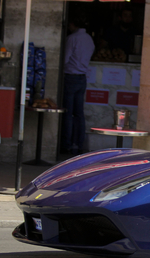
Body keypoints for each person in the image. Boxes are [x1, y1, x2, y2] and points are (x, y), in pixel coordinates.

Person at [61, 14, 95, 155]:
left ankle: (67, 145)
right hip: (82, 78)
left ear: (73, 24)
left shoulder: (72, 39)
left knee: (68, 113)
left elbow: (65, 59)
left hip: (70, 77)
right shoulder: (89, 39)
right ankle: (79, 144)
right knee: (79, 113)